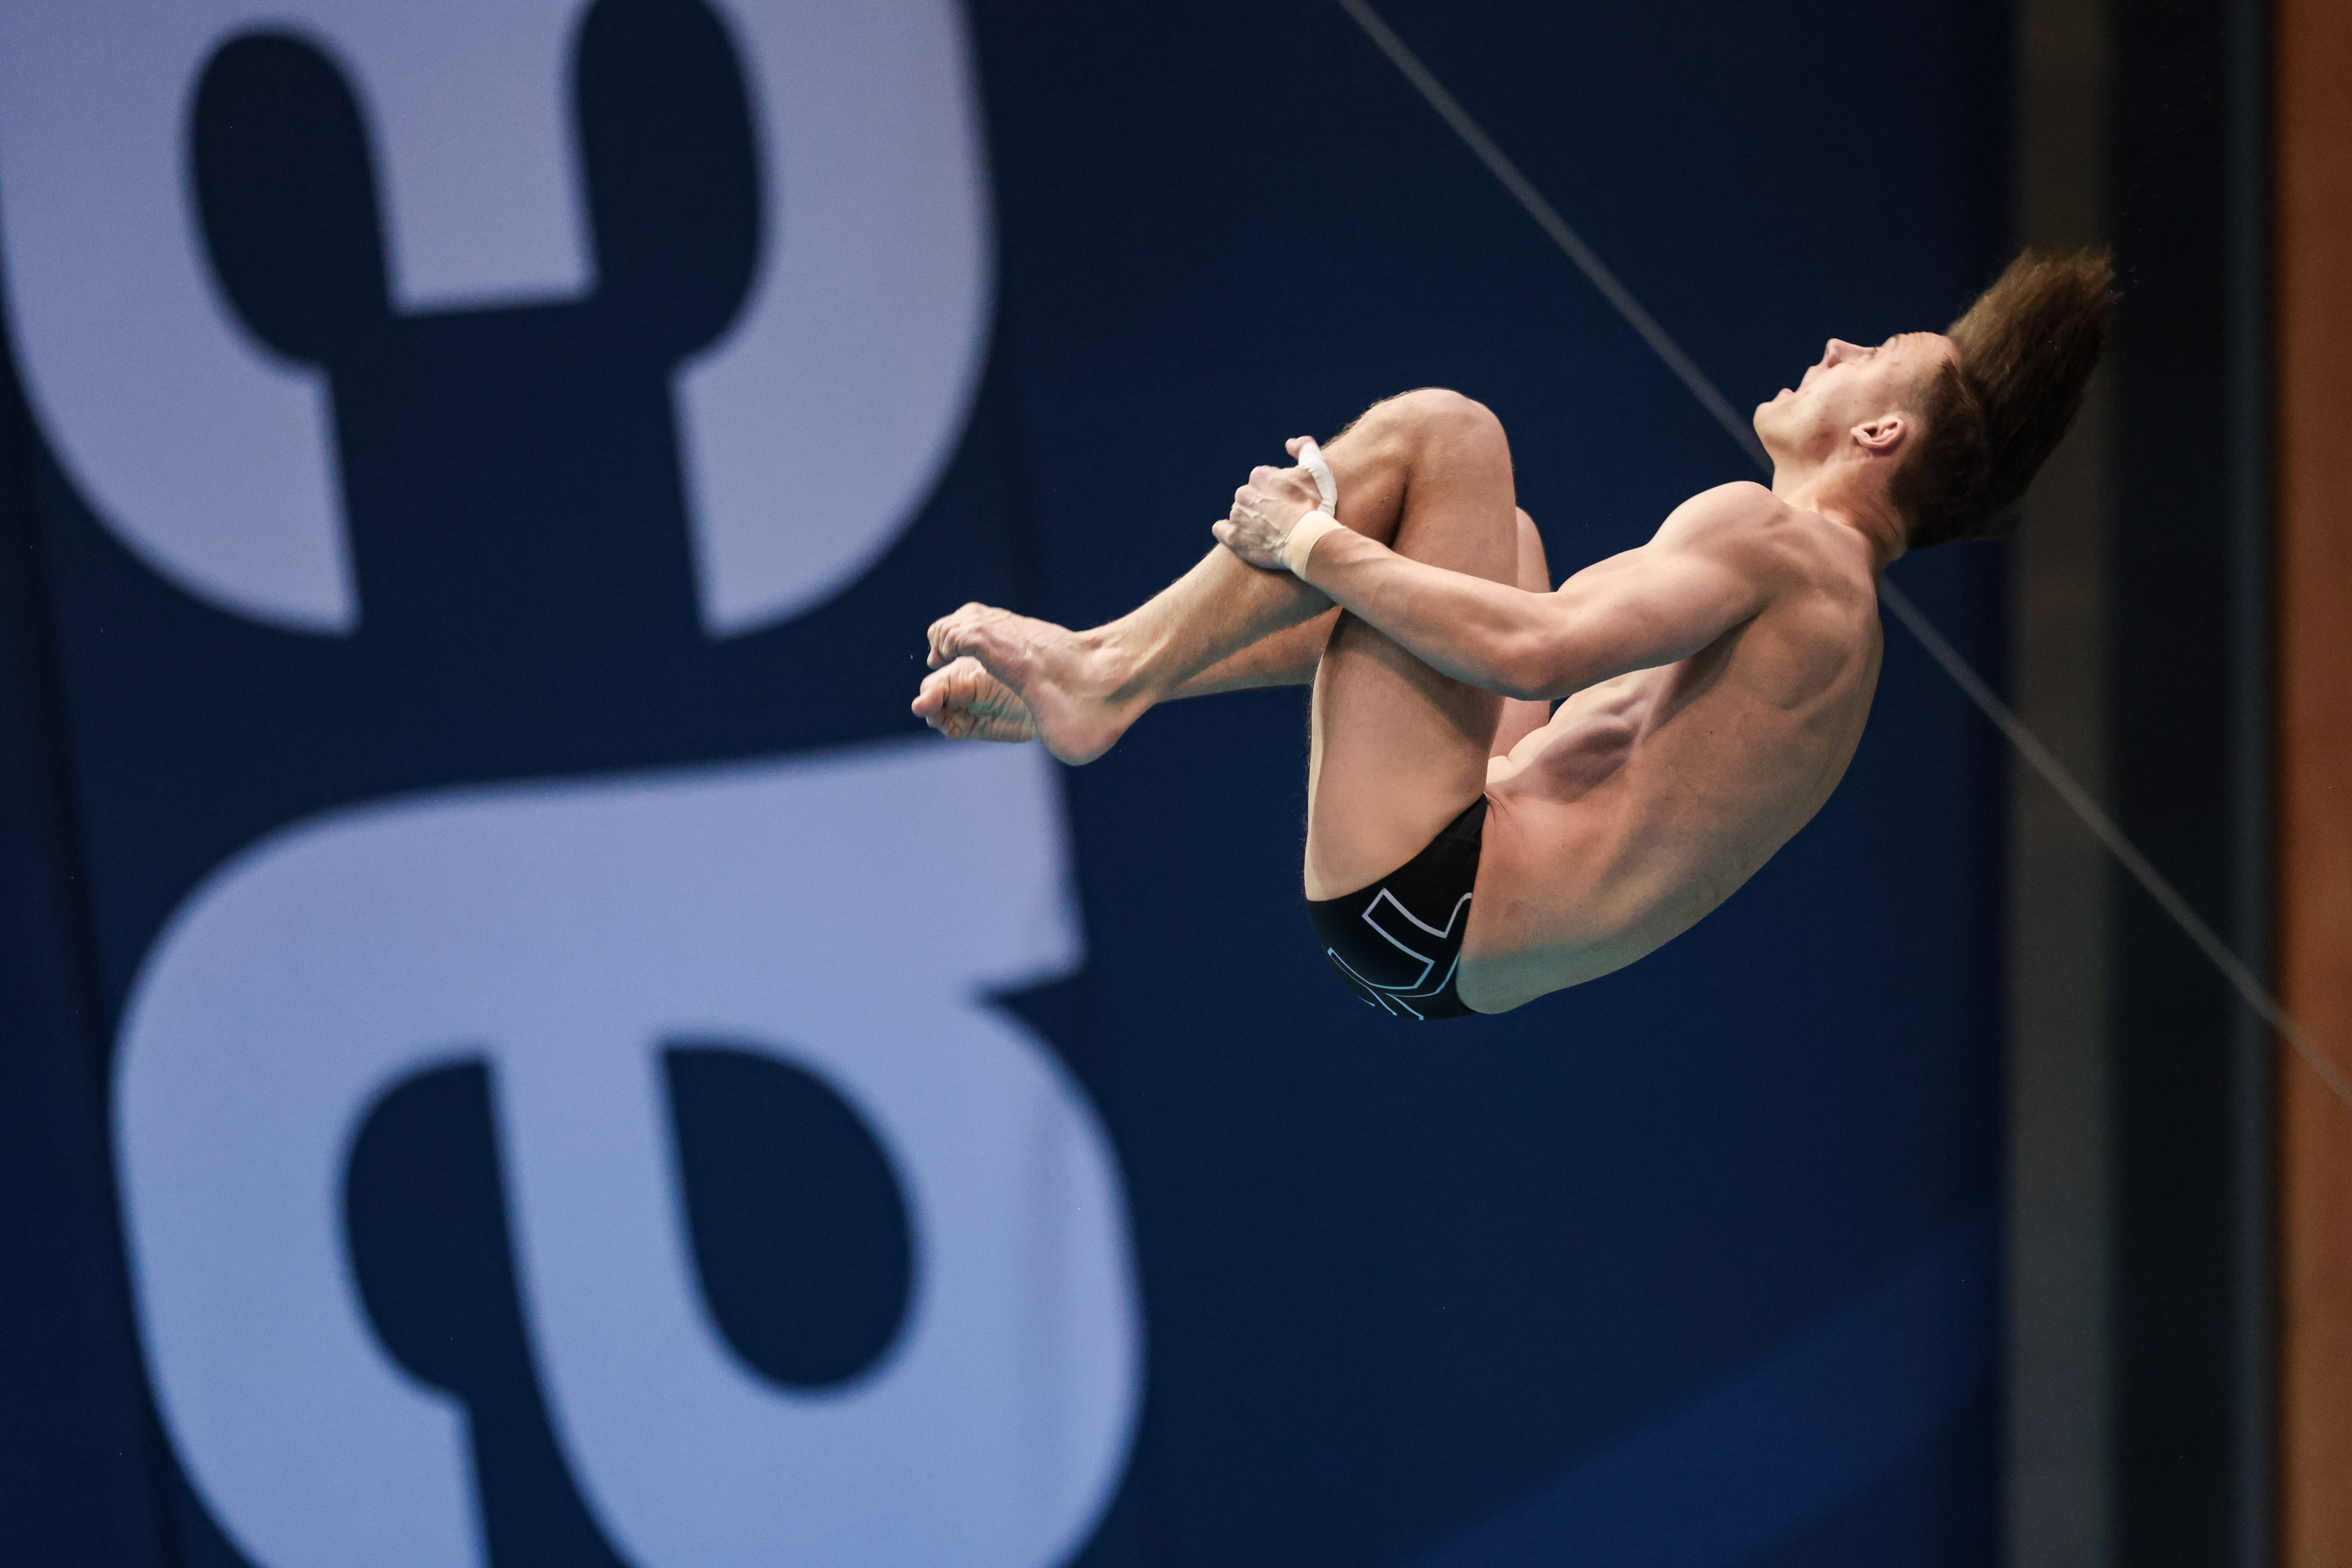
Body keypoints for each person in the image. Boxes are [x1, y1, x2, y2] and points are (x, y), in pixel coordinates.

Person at [912, 250, 2114, 1019]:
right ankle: (1116, 681)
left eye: (1876, 358)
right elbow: (1475, 626)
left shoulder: (1783, 545)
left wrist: (1308, 539)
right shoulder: (1844, 632)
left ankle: (1107, 673)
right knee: (1505, 542)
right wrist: (1335, 562)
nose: (1842, 348)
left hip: (1439, 886)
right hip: (1440, 942)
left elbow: (1529, 656)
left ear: (1879, 438)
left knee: (1447, 435)